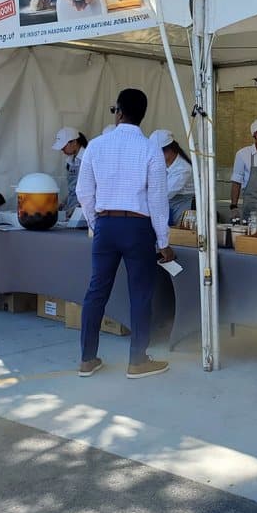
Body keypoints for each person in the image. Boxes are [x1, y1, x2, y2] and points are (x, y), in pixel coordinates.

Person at [75, 88, 174, 379]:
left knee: (96, 291)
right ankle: (137, 361)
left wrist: (97, 224)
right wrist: (164, 241)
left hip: (106, 224)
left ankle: (87, 359)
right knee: (140, 294)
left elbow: (84, 192)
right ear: (143, 115)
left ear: (118, 112)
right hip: (138, 227)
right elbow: (158, 199)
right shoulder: (150, 149)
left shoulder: (95, 145)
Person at [150, 130, 195, 226]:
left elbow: (165, 193)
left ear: (168, 150)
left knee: (177, 233)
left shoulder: (183, 169)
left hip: (182, 207)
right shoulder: (164, 164)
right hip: (168, 206)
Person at [52, 126, 88, 217]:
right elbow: (73, 189)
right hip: (72, 207)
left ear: (74, 142)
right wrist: (64, 203)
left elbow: (92, 189)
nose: (62, 149)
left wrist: (79, 207)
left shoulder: (88, 158)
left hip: (84, 210)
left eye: (64, 146)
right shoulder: (70, 161)